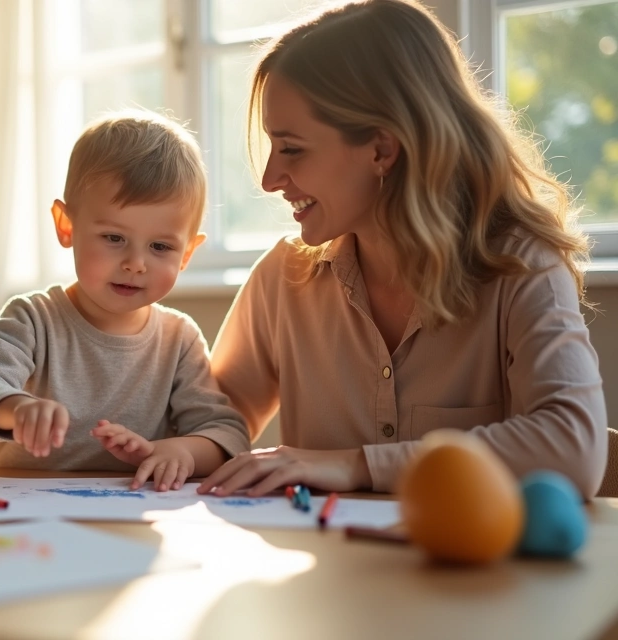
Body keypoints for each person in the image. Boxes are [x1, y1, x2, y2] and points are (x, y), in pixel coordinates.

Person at [198, 0, 605, 497]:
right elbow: (205, 422)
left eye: (292, 149)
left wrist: (356, 466)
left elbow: (574, 448)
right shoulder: (284, 278)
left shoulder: (523, 266)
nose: (269, 179)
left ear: (381, 150)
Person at [0, 110, 249, 492]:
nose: (136, 263)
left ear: (187, 254)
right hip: (23, 505)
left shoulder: (180, 340)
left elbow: (227, 435)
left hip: (129, 511)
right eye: (114, 238)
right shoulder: (31, 319)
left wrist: (181, 451)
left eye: (160, 247)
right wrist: (17, 408)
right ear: (67, 226)